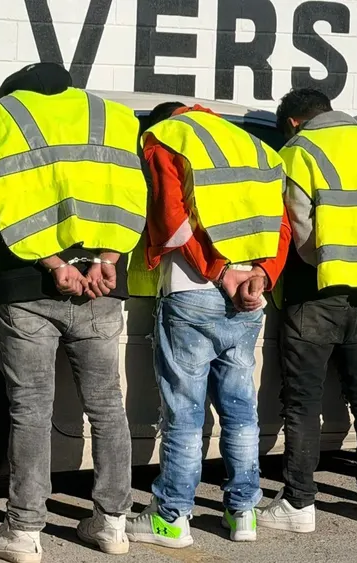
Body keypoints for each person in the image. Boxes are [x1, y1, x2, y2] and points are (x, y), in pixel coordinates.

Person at [0, 63, 143, 562]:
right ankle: (112, 525)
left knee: (30, 410)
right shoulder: (114, 118)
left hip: (25, 285)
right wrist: (106, 259)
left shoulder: (0, 121)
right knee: (107, 407)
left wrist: (55, 262)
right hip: (102, 283)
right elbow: (131, 196)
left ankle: (24, 532)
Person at [123, 101, 292, 548]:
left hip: (193, 289)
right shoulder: (256, 148)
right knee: (240, 410)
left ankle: (171, 518)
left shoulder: (167, 139)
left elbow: (172, 223)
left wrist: (219, 272)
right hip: (249, 296)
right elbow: (281, 226)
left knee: (183, 413)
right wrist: (261, 276)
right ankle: (244, 514)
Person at [260, 88, 357, 533]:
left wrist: (333, 267)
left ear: (292, 122)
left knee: (303, 400)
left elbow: (302, 229)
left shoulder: (299, 151)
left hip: (316, 291)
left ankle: (299, 504)